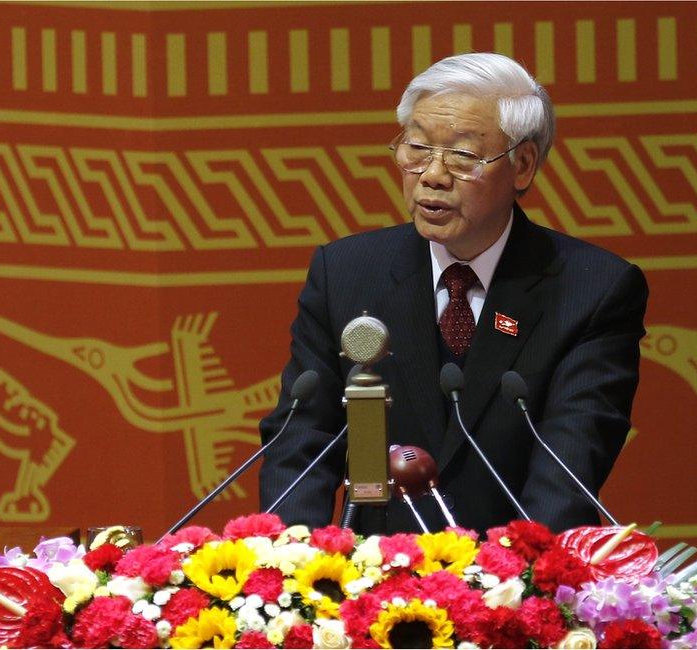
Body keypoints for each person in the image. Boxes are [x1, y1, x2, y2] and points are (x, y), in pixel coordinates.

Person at [258, 52, 648, 536]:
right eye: (417, 148)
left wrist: (510, 584)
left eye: (462, 157)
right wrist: (292, 564)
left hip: (510, 588)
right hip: (370, 580)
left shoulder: (591, 289)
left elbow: (570, 464)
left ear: (522, 165)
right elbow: (303, 438)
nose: (433, 175)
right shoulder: (346, 273)